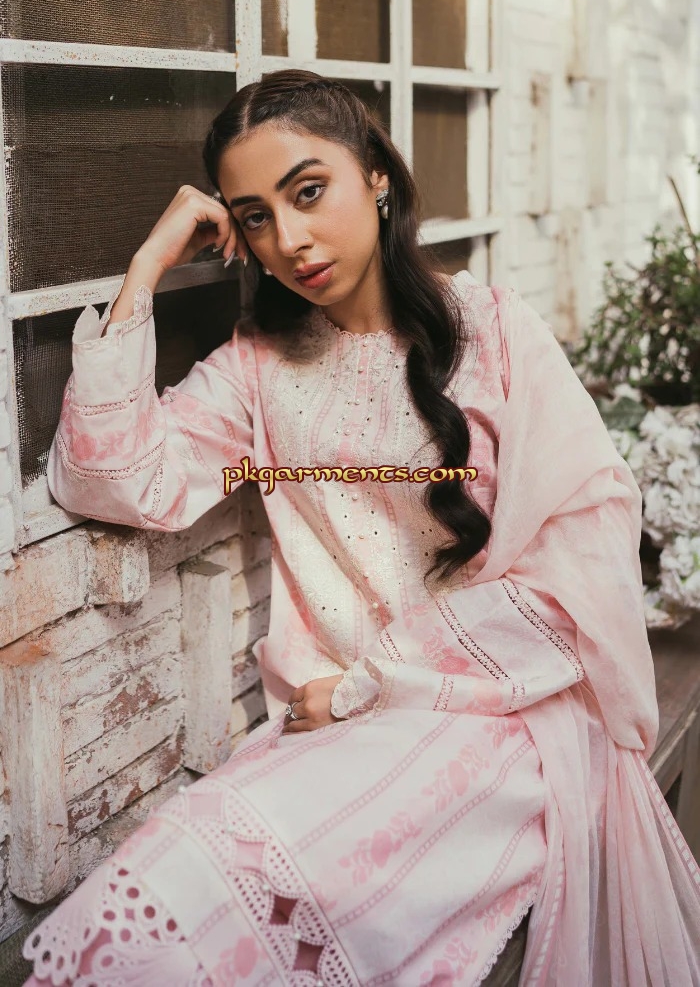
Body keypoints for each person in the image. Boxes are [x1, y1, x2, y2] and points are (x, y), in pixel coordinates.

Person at [21, 69, 700, 986]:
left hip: (497, 717)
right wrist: (148, 265)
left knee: (247, 892)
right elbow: (108, 478)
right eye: (255, 217)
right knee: (155, 892)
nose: (289, 239)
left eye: (308, 192)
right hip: (333, 725)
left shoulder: (495, 331)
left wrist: (369, 683)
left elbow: (580, 561)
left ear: (376, 175)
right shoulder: (258, 367)